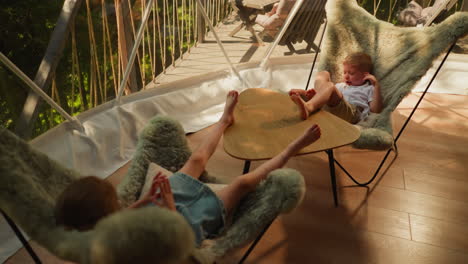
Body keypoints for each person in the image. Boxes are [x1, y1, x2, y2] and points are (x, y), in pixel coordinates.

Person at [55, 90, 322, 246]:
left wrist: (148, 199)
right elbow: (175, 248)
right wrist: (169, 207)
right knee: (241, 185)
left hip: (161, 209)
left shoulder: (103, 225)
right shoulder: (112, 253)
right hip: (184, 224)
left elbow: (122, 217)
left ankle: (223, 120)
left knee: (196, 160)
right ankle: (291, 149)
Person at [289, 52, 383, 123]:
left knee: (330, 86)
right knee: (324, 74)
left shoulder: (368, 88)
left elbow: (375, 110)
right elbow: (327, 93)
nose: (346, 76)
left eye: (351, 73)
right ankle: (314, 99)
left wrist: (376, 85)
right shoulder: (342, 85)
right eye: (345, 72)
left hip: (351, 113)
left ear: (365, 75)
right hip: (332, 107)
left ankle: (309, 107)